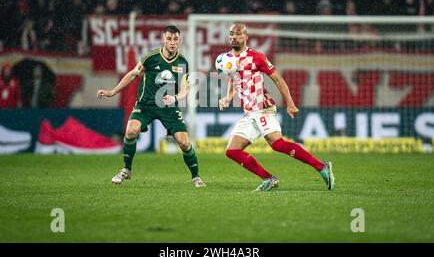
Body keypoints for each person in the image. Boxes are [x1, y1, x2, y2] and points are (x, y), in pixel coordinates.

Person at [218, 23, 335, 192]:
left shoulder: (256, 57)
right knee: (232, 151)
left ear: (246, 37)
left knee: (277, 144)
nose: (234, 37)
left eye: (238, 34)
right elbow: (232, 77)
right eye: (231, 34)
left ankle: (322, 167)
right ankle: (269, 179)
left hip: (262, 108)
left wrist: (290, 103)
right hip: (249, 113)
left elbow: (278, 80)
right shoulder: (228, 59)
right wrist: (228, 97)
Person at [97, 25, 206, 188]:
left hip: (169, 107)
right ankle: (126, 169)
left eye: (175, 39)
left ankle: (196, 177)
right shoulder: (151, 57)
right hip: (145, 104)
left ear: (180, 40)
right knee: (131, 131)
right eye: (169, 38)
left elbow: (185, 89)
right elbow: (133, 74)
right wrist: (113, 92)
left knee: (184, 143)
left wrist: (175, 97)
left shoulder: (183, 62)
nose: (172, 42)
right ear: (163, 39)